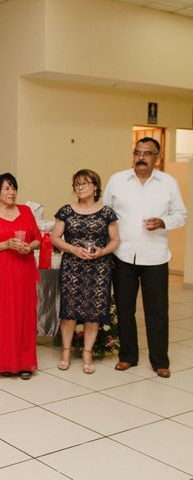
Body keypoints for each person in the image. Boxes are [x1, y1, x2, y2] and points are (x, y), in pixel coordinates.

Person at [103, 137, 187, 378]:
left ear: (156, 157)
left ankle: (160, 360)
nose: (141, 157)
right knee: (125, 309)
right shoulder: (117, 180)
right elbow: (106, 213)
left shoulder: (168, 183)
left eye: (147, 153)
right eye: (138, 153)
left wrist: (164, 222)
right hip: (123, 256)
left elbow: (181, 215)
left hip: (156, 257)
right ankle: (128, 356)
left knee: (157, 311)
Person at [51, 169, 120, 374]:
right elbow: (55, 238)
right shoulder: (66, 211)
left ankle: (87, 352)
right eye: (76, 185)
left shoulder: (106, 212)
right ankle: (65, 350)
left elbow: (115, 240)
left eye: (84, 183)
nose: (79, 188)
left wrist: (101, 252)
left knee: (93, 312)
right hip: (72, 267)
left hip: (98, 268)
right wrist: (72, 248)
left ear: (95, 186)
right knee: (69, 312)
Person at [0, 173, 41, 380]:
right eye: (6, 188)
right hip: (1, 270)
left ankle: (25, 364)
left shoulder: (25, 211)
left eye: (13, 187)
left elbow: (37, 240)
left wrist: (26, 247)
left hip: (23, 268)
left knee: (25, 313)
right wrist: (6, 244)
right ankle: (5, 362)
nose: (11, 192)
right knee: (4, 314)